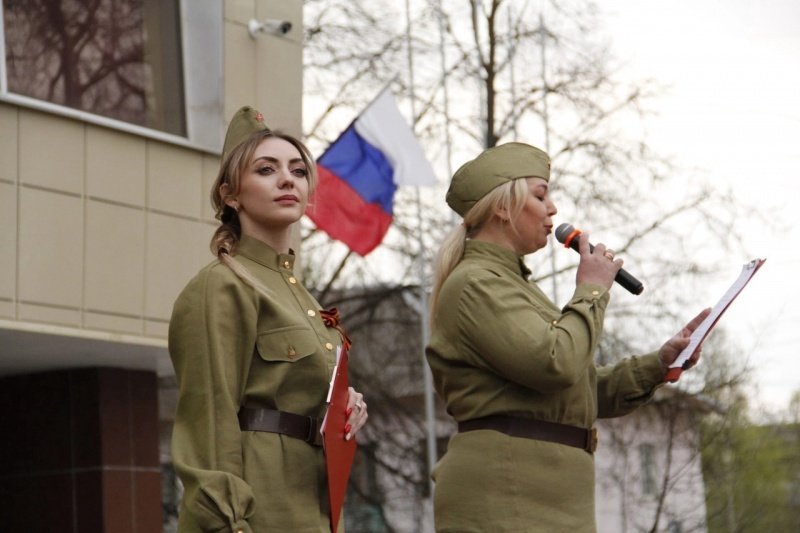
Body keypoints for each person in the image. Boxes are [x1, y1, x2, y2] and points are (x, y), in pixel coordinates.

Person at [425, 142, 710, 532]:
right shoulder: (475, 283)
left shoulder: (512, 284)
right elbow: (555, 364)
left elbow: (578, 390)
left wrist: (658, 364)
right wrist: (591, 290)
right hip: (507, 493)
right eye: (541, 195)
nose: (553, 209)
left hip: (547, 491)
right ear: (502, 207)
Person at [169, 106, 368, 533]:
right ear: (230, 196)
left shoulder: (302, 297)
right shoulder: (221, 286)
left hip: (316, 504)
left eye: (298, 170)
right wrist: (228, 525)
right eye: (266, 169)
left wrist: (346, 409)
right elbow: (209, 422)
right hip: (260, 510)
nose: (288, 180)